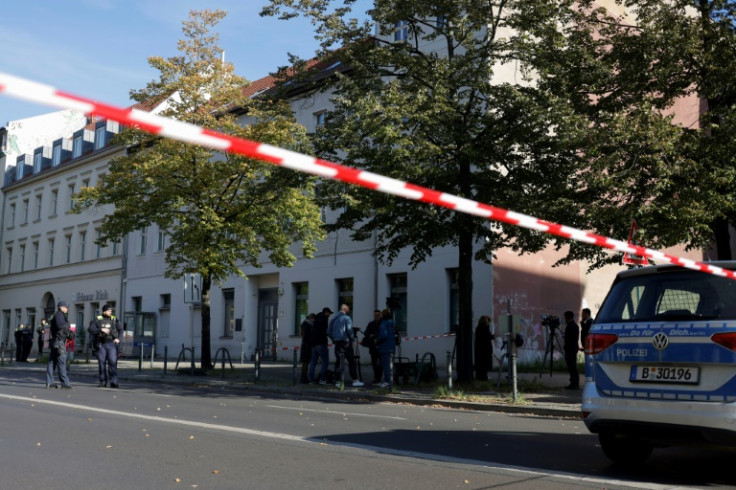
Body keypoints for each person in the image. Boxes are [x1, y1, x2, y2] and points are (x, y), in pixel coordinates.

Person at [327, 304, 364, 388]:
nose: (348, 311)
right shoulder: (347, 318)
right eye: (347, 309)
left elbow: (328, 332)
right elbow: (349, 330)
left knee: (338, 362)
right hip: (346, 342)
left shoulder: (333, 319)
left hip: (337, 343)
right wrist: (352, 339)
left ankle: (337, 381)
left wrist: (333, 339)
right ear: (344, 309)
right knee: (351, 361)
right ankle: (355, 380)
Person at [88, 304, 121, 388]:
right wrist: (101, 329)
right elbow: (90, 329)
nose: (111, 312)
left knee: (112, 363)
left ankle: (114, 381)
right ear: (104, 311)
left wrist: (118, 339)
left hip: (111, 344)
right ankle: (103, 381)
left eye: (111, 311)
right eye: (109, 311)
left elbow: (120, 329)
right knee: (102, 363)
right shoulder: (97, 319)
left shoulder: (113, 319)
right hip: (101, 344)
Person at [46, 301, 72, 389]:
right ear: (61, 307)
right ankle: (65, 383)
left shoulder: (57, 315)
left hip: (55, 341)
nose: (67, 309)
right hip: (59, 342)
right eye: (66, 307)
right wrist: (68, 324)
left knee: (52, 362)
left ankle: (50, 382)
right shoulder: (59, 315)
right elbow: (60, 325)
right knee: (61, 362)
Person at [308, 307, 331, 384]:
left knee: (313, 362)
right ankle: (322, 379)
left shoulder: (316, 318)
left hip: (313, 343)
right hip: (321, 343)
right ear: (326, 312)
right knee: (325, 361)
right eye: (329, 313)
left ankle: (310, 379)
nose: (329, 315)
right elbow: (324, 331)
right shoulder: (324, 319)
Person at [375, 309, 397, 388]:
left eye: (381, 314)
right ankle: (392, 380)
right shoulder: (391, 322)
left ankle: (388, 382)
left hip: (384, 347)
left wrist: (377, 340)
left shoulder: (383, 323)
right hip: (392, 346)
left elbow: (383, 335)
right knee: (391, 365)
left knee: (386, 365)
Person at [362, 310, 382, 384]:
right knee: (374, 363)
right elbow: (366, 332)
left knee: (381, 363)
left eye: (377, 315)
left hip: (380, 346)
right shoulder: (371, 324)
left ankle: (379, 378)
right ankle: (376, 378)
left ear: (380, 315)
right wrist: (369, 334)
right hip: (373, 347)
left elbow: (383, 333)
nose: (376, 316)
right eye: (375, 315)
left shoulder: (382, 323)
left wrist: (374, 335)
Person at [563, 310, 581, 390]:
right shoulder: (575, 325)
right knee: (572, 366)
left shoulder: (570, 326)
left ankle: (574, 383)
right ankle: (574, 383)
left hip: (570, 348)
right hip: (573, 348)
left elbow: (570, 338)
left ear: (567, 317)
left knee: (572, 366)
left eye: (565, 317)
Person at [474, 315, 494, 381]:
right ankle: (484, 377)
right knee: (484, 365)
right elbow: (487, 337)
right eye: (488, 321)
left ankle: (480, 377)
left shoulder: (478, 328)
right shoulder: (484, 328)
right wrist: (493, 336)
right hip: (485, 349)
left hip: (479, 349)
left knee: (480, 365)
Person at [299, 313, 315, 384]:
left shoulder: (305, 324)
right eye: (314, 319)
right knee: (305, 362)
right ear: (311, 318)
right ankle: (303, 378)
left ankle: (304, 378)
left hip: (306, 344)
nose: (314, 321)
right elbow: (306, 336)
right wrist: (312, 340)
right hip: (306, 345)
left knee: (305, 362)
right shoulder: (307, 324)